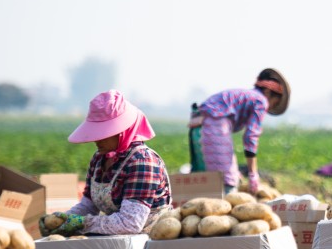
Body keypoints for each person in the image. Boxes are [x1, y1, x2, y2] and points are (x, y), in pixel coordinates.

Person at [39, 90, 172, 237]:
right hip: (115, 242)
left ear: (122, 131)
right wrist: (63, 220)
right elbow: (87, 206)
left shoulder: (142, 162)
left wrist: (83, 223)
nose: (97, 139)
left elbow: (129, 223)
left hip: (147, 245)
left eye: (104, 133)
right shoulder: (99, 159)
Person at [192, 68, 290, 195]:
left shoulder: (249, 96)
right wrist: (253, 173)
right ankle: (226, 199)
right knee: (226, 178)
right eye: (274, 102)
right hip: (215, 121)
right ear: (267, 91)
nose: (270, 106)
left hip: (207, 119)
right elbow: (251, 137)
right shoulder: (261, 100)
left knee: (227, 172)